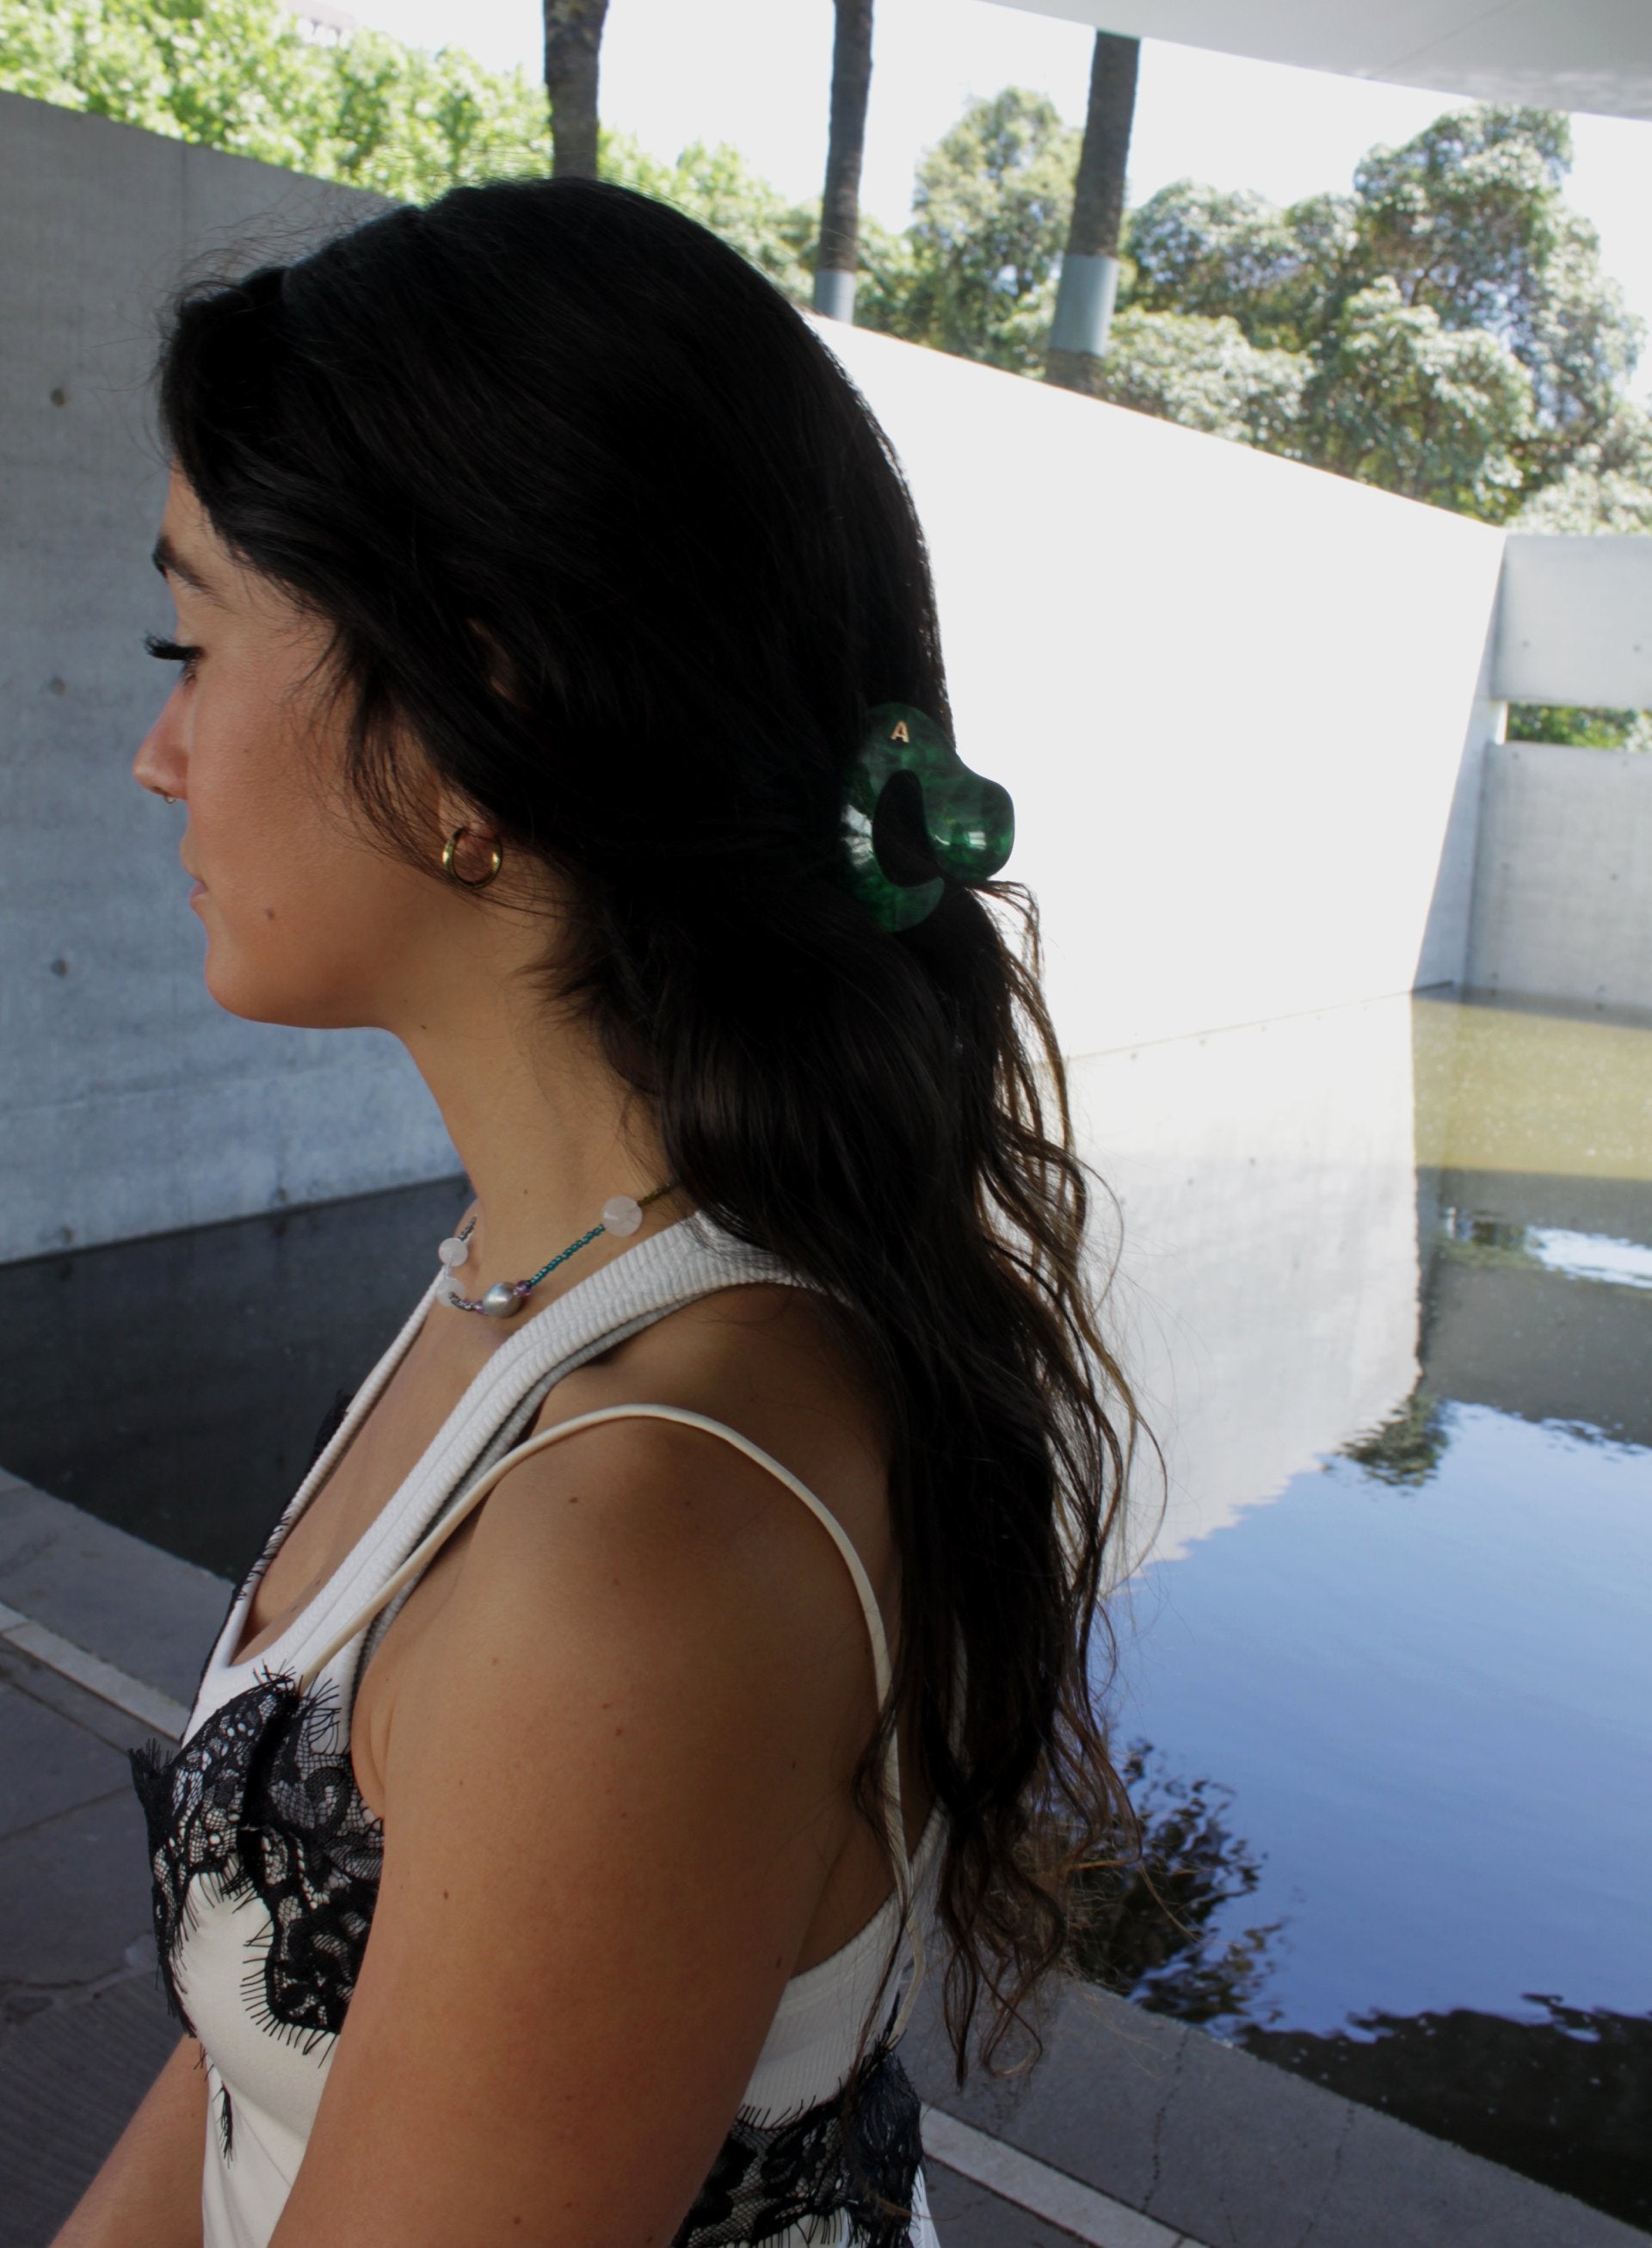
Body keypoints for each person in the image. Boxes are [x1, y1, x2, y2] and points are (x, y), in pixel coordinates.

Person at [55, 175, 1137, 2248]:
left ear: (488, 711)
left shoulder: (640, 1541)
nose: (156, 748)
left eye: (190, 640)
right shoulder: (538, 1276)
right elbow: (265, 2033)